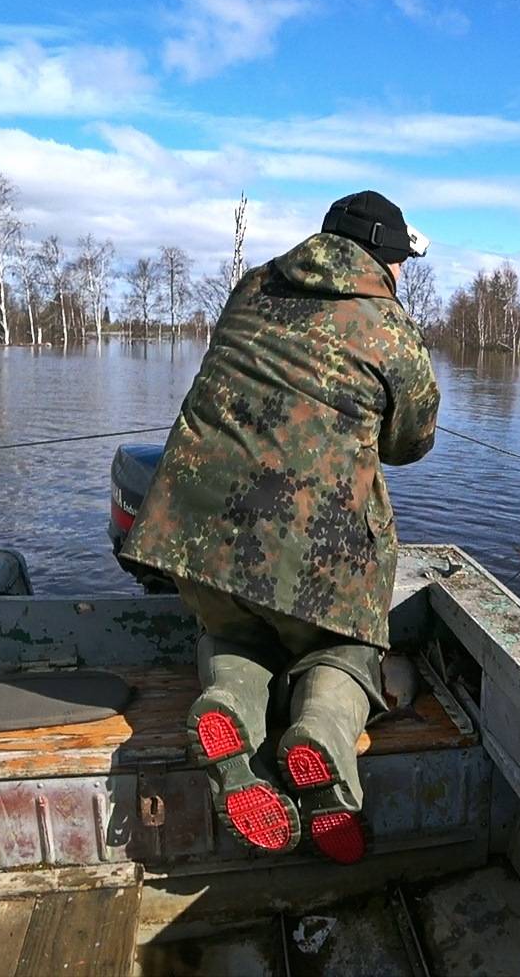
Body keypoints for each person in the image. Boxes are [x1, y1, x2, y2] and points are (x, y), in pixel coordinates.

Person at [120, 191, 439, 864]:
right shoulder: (388, 324)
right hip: (312, 558)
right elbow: (410, 444)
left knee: (233, 630)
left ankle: (230, 709)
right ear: (384, 257)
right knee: (345, 650)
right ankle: (320, 734)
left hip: (191, 535)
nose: (403, 273)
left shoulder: (253, 285)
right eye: (402, 261)